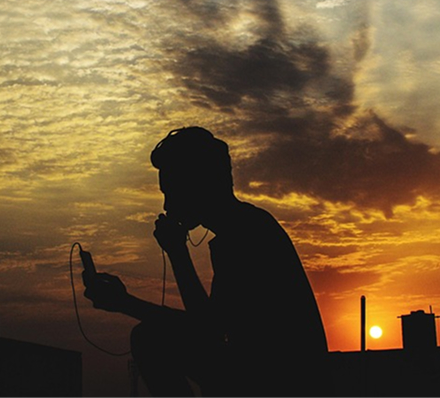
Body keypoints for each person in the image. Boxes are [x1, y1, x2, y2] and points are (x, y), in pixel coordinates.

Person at [84, 127, 329, 396]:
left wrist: (126, 300)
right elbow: (211, 325)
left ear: (197, 184)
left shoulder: (246, 234)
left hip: (281, 382)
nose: (166, 206)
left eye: (171, 191)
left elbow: (208, 330)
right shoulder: (243, 228)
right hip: (271, 375)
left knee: (149, 339)